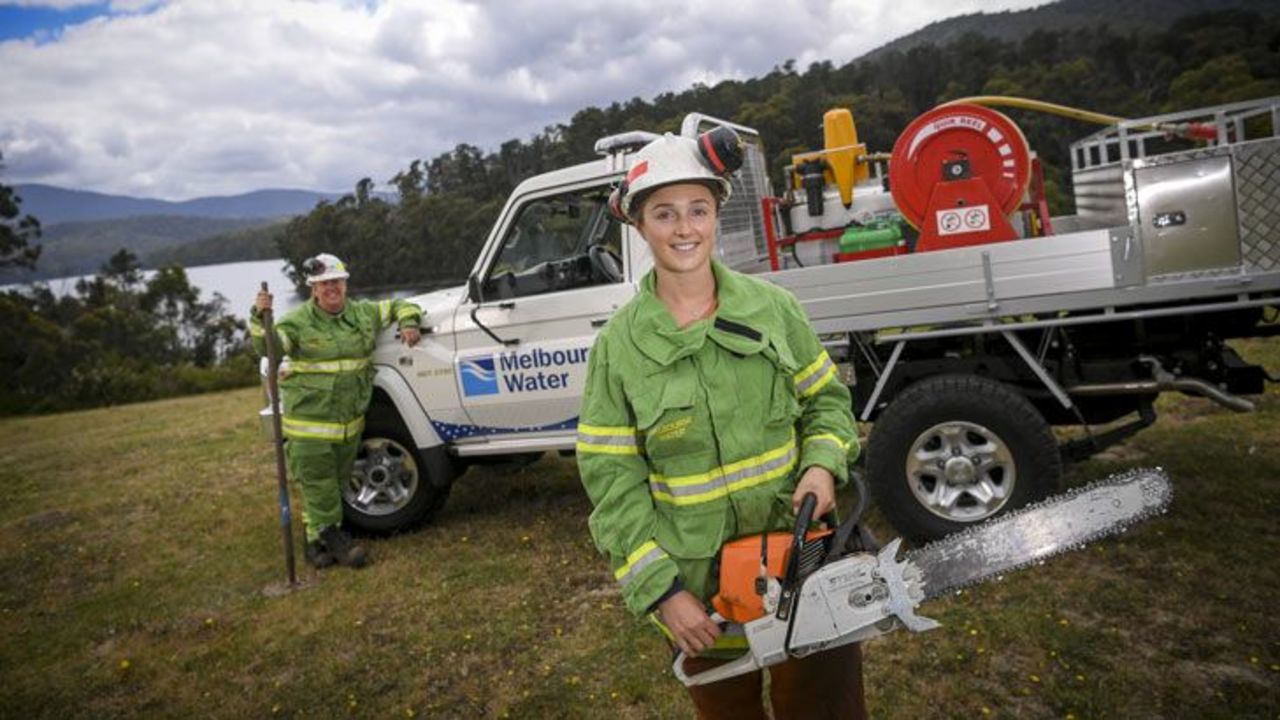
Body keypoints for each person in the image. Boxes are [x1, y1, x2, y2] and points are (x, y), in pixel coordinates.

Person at [576, 131, 865, 719]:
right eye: (664, 213)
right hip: (702, 600)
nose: (684, 228)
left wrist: (821, 466)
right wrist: (664, 591)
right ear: (639, 225)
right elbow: (612, 484)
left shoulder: (774, 310)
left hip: (804, 566)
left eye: (698, 210)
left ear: (716, 215)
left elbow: (827, 403)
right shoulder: (617, 349)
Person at [250, 253, 423, 569]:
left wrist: (409, 321)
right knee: (319, 484)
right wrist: (260, 317)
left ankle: (314, 542)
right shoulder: (296, 322)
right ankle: (337, 541)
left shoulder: (364, 313)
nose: (331, 288)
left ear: (345, 284)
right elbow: (270, 347)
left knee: (335, 484)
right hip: (309, 425)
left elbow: (400, 305)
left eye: (336, 281)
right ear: (314, 289)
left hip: (348, 425)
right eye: (323, 283)